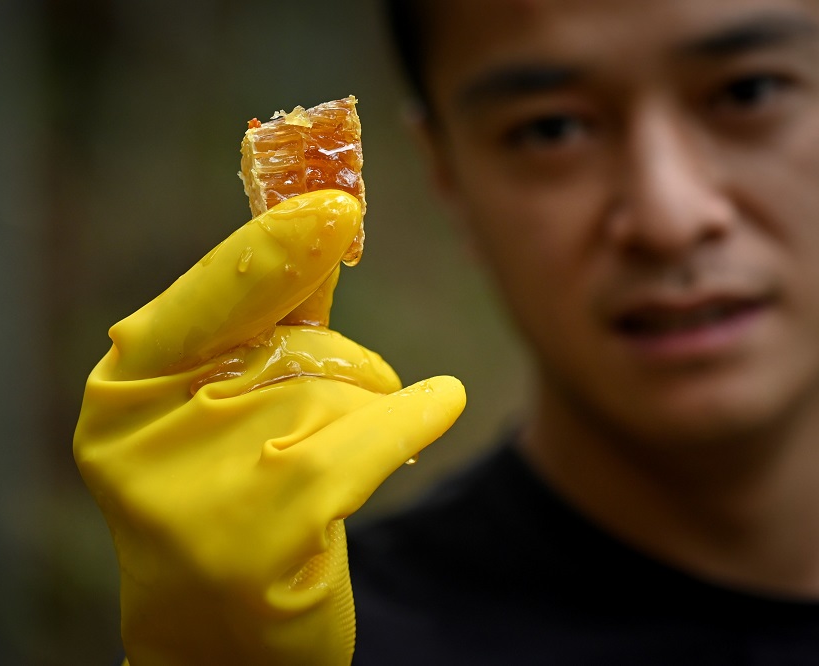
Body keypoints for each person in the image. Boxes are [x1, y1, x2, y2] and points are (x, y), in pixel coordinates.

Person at [74, 0, 819, 664]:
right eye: (551, 128)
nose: (669, 217)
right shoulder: (330, 638)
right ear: (446, 175)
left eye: (748, 91)